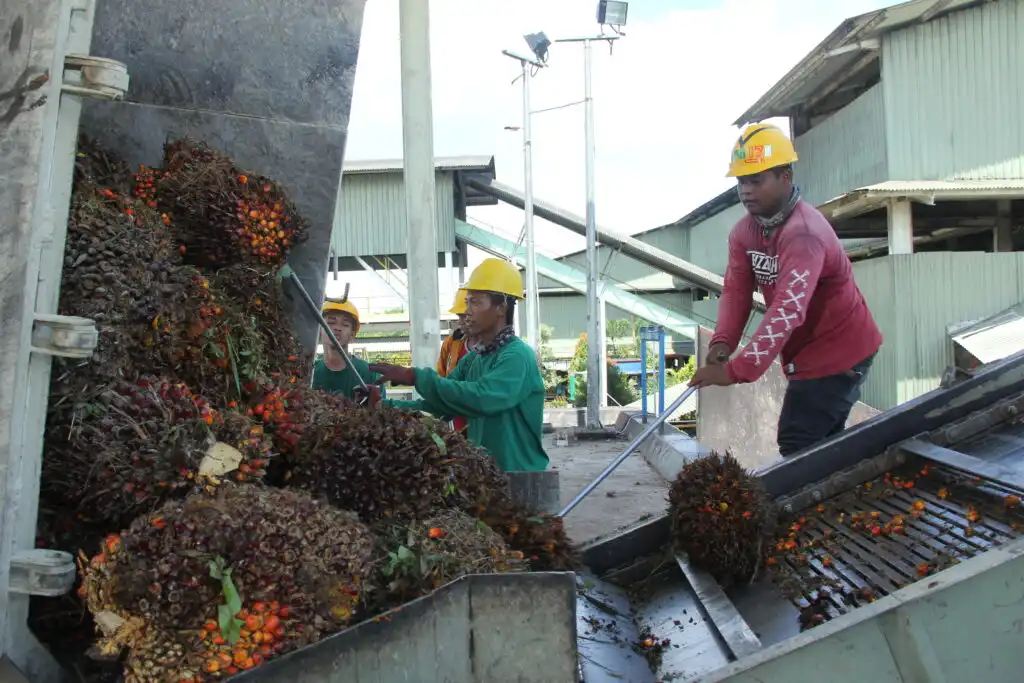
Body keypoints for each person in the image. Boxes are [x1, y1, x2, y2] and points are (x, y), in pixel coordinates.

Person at [689, 123, 882, 457]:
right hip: (805, 352)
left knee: (799, 443)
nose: (746, 191)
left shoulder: (803, 234)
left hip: (840, 351)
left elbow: (787, 310)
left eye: (756, 180)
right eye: (741, 182)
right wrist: (723, 342)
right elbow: (736, 291)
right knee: (818, 447)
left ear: (785, 177)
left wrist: (735, 371)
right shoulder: (745, 233)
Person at [365, 258, 549, 472]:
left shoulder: (517, 356)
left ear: (501, 307)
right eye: (467, 302)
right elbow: (439, 405)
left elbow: (483, 398)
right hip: (487, 473)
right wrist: (385, 406)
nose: (467, 311)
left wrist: (416, 376)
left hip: (522, 475)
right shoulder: (473, 360)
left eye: (476, 303)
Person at [311, 297, 385, 401]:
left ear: (352, 335)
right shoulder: (310, 372)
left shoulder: (369, 374)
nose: (337, 328)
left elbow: (383, 409)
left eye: (345, 324)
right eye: (331, 322)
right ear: (319, 330)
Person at [437, 288, 472, 432]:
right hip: (456, 418)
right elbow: (441, 377)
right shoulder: (451, 343)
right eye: (459, 316)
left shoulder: (494, 350)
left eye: (465, 316)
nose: (461, 322)